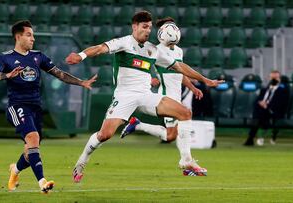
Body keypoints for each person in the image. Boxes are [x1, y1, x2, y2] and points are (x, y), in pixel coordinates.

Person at [65, 11, 223, 183]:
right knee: (105, 135)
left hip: (146, 96)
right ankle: (81, 162)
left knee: (185, 113)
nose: (148, 30)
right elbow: (100, 48)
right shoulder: (123, 42)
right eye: (144, 26)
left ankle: (186, 160)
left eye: (149, 27)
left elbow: (179, 67)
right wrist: (81, 56)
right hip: (125, 96)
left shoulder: (152, 50)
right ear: (135, 26)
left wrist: (205, 80)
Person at [0, 20, 97, 193]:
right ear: (18, 36)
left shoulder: (38, 56)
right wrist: (7, 75)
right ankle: (43, 183)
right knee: (33, 138)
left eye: (33, 35)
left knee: (30, 151)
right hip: (17, 106)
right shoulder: (5, 57)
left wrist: (81, 82)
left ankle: (15, 171)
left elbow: (59, 73)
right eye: (29, 35)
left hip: (36, 107)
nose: (33, 38)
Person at [119, 17, 205, 176]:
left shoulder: (179, 51)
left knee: (176, 133)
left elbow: (180, 71)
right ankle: (187, 163)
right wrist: (150, 78)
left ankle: (186, 164)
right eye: (167, 27)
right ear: (162, 32)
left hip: (177, 96)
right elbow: (145, 66)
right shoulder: (156, 50)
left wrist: (192, 87)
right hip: (166, 97)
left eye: (172, 26)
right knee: (172, 135)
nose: (170, 29)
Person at [243, 70, 289, 146]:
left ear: (279, 79)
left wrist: (268, 106)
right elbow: (257, 100)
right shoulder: (265, 89)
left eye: (276, 78)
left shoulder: (283, 90)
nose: (273, 79)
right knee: (257, 112)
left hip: (274, 110)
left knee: (260, 115)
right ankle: (251, 138)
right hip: (262, 109)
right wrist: (260, 102)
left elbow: (282, 103)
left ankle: (252, 138)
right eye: (272, 78)